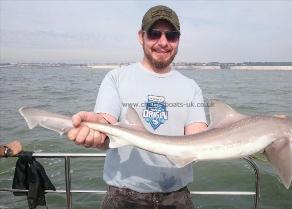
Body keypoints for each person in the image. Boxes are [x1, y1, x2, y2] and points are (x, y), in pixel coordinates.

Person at [67, 5, 207, 209]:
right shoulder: (116, 78)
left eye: (171, 35)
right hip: (123, 197)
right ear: (141, 36)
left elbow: (199, 141)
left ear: (178, 39)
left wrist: (251, 137)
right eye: (154, 34)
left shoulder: (191, 87)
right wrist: (98, 130)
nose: (163, 42)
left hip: (176, 197)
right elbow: (106, 126)